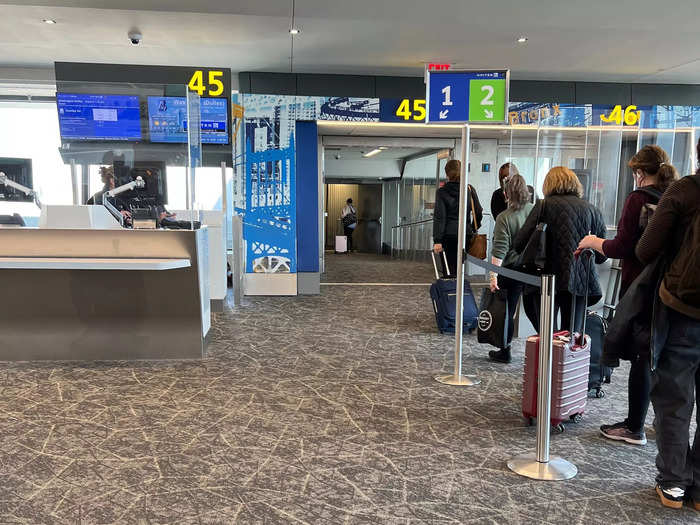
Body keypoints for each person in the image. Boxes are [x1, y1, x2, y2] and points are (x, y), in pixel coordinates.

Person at [577, 145, 678, 446]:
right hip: (671, 287)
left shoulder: (638, 199)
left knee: (641, 356)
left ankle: (634, 427)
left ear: (638, 173)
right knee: (664, 357)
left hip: (642, 287)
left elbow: (622, 247)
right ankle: (662, 423)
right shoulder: (674, 198)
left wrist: (593, 241)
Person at [635, 139, 700, 510]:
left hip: (683, 310)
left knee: (675, 396)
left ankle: (674, 484)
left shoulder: (683, 191)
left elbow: (645, 250)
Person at [513, 166, 607, 333]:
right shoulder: (591, 209)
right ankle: (565, 357)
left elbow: (520, 243)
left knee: (547, 332)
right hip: (579, 279)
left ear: (548, 184)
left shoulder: (543, 205)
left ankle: (549, 356)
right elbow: (602, 256)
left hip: (545, 279)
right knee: (571, 334)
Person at [488, 174, 538, 363]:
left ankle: (505, 349)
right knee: (536, 312)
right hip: (534, 270)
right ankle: (550, 350)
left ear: (507, 194)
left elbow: (500, 250)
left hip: (511, 270)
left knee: (507, 310)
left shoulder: (504, 218)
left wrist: (493, 276)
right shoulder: (535, 212)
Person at [432, 159, 483, 277]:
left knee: (448, 268)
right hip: (465, 234)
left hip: (448, 236)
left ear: (447, 174)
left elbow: (440, 217)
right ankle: (460, 290)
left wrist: (437, 240)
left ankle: (451, 291)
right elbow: (478, 211)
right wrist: (474, 227)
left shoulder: (442, 192)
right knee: (461, 266)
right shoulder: (469, 189)